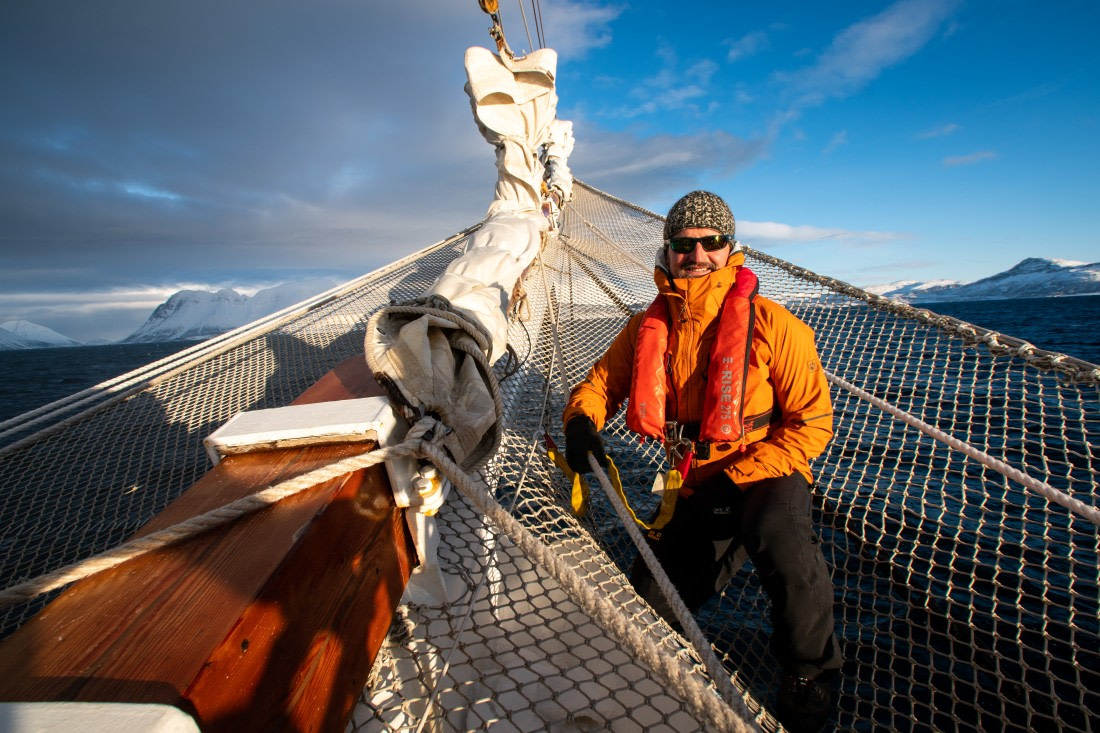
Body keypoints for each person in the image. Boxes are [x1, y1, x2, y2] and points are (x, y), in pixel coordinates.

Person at [562, 190, 841, 732]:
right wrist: (581, 421)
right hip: (695, 483)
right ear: (666, 253)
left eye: (710, 243)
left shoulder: (774, 324)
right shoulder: (648, 325)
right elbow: (599, 385)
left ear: (730, 248)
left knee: (776, 532)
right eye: (682, 245)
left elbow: (812, 423)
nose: (696, 255)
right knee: (646, 604)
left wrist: (735, 478)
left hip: (767, 471)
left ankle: (810, 672)